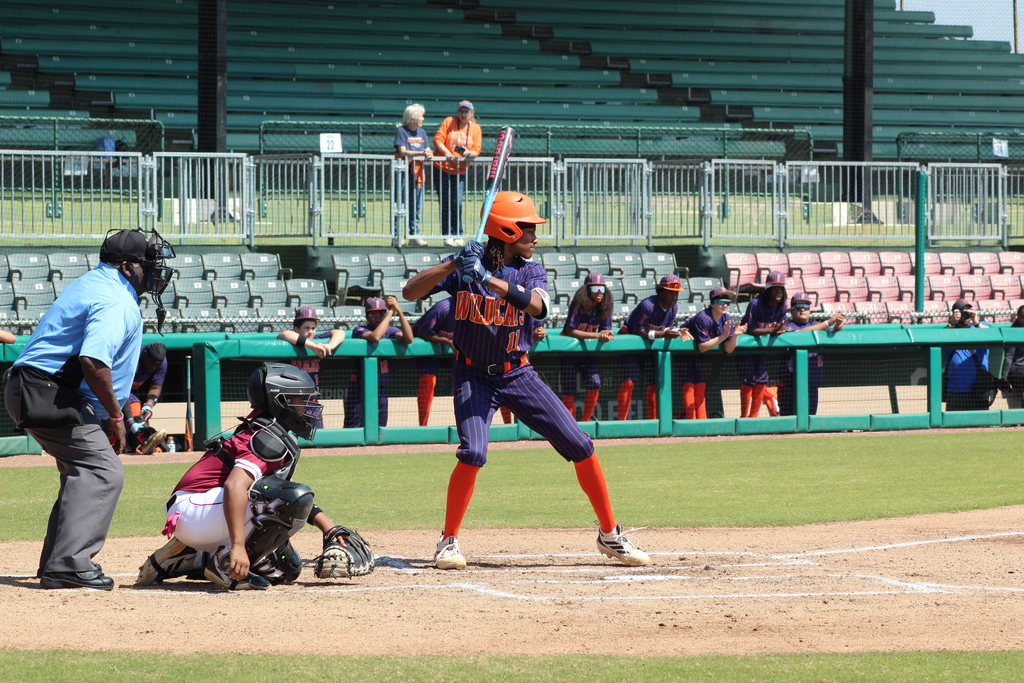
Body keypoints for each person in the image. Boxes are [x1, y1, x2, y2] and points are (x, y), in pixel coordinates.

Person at [402, 190, 650, 570]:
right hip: (472, 374)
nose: (535, 237)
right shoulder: (465, 265)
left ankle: (610, 534)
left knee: (580, 444)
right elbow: (410, 291)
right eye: (528, 230)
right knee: (474, 453)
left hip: (517, 373)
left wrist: (491, 280)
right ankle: (447, 541)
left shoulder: (529, 269)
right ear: (506, 231)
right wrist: (452, 264)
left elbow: (540, 306)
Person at [4, 227, 176, 590]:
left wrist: (107, 418)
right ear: (128, 266)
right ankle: (67, 566)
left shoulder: (95, 283)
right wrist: (117, 418)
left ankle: (57, 562)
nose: (156, 271)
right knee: (103, 472)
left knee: (81, 472)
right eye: (150, 264)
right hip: (48, 390)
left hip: (38, 388)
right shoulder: (115, 298)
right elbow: (94, 362)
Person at [135, 363, 373, 590]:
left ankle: (188, 557)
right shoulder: (267, 438)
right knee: (294, 497)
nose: (307, 406)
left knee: (285, 568)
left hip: (200, 512)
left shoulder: (268, 430)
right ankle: (224, 562)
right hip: (195, 508)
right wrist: (238, 547)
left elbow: (276, 491)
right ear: (280, 401)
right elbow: (235, 486)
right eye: (301, 399)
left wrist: (329, 528)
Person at [616, 274, 692, 420]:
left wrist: (677, 332)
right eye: (670, 292)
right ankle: (622, 422)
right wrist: (663, 334)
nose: (674, 296)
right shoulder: (648, 305)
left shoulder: (673, 308)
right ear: (661, 291)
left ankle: (654, 419)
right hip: (628, 343)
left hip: (648, 346)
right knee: (629, 381)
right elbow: (638, 330)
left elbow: (665, 329)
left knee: (654, 382)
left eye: (676, 293)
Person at [344, 296, 414, 428]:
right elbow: (375, 337)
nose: (377, 318)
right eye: (373, 314)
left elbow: (409, 339)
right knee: (354, 425)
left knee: (380, 425)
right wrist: (390, 313)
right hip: (359, 386)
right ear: (367, 317)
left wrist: (398, 311)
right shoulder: (359, 330)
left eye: (381, 314)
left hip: (381, 386)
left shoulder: (391, 331)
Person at [680, 286, 745, 419]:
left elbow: (728, 349)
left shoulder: (727, 319)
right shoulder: (703, 318)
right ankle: (690, 422)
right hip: (684, 353)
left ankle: (702, 421)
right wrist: (723, 336)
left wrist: (734, 336)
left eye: (727, 302)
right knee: (689, 387)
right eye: (721, 302)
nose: (725, 305)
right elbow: (703, 346)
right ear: (712, 303)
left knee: (700, 386)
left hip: (700, 356)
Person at [776, 292, 845, 416]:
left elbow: (836, 333)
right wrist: (828, 322)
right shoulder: (787, 325)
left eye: (806, 306)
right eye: (797, 306)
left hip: (811, 387)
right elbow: (798, 335)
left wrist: (838, 324)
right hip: (789, 387)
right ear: (791, 310)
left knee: (809, 423)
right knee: (787, 424)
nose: (802, 309)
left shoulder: (815, 325)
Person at [277, 306, 346, 429]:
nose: (311, 331)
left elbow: (340, 332)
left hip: (313, 404)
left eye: (313, 328)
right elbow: (284, 334)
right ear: (297, 328)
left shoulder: (318, 339)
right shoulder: (291, 341)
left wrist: (330, 345)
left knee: (317, 443)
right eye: (306, 328)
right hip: (291, 403)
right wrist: (313, 347)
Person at [560, 272, 615, 422]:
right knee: (569, 389)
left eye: (602, 288)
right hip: (568, 351)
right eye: (595, 288)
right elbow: (570, 331)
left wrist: (606, 334)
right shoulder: (579, 303)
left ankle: (585, 422)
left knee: (595, 383)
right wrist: (597, 336)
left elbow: (606, 330)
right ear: (587, 290)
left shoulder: (605, 306)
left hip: (586, 351)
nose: (599, 292)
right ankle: (571, 425)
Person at [738, 270, 789, 418]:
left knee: (762, 379)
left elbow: (780, 327)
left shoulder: (782, 306)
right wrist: (773, 330)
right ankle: (744, 417)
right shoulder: (756, 304)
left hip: (762, 348)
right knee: (749, 379)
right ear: (768, 289)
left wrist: (781, 329)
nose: (778, 291)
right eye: (775, 288)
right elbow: (750, 329)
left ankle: (753, 417)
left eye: (781, 288)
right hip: (746, 347)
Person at [432, 100, 482, 246]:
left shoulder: (475, 128)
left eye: (466, 111)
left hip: (460, 170)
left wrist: (468, 153)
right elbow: (438, 139)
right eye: (461, 111)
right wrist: (447, 153)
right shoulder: (449, 122)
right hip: (442, 167)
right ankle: (447, 234)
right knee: (445, 201)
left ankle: (457, 233)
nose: (463, 114)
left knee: (456, 202)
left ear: (472, 113)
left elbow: (477, 149)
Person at [943, 298, 992, 411]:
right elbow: (941, 337)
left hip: (978, 389)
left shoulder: (981, 327)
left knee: (980, 426)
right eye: (961, 312)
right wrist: (952, 323)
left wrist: (976, 323)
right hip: (955, 390)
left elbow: (992, 335)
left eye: (967, 311)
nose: (965, 315)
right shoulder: (949, 329)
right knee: (953, 426)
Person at [394, 103, 432, 248]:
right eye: (421, 115)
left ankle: (414, 235)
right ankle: (397, 235)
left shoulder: (422, 132)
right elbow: (402, 151)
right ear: (412, 118)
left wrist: (428, 152)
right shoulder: (402, 132)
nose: (423, 118)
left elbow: (427, 148)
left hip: (417, 173)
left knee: (415, 205)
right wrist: (421, 153)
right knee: (400, 203)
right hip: (402, 172)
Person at [412, 297, 454, 426]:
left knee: (464, 380)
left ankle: (465, 422)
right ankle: (423, 426)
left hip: (448, 350)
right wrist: (447, 341)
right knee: (428, 382)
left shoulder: (473, 308)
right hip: (427, 348)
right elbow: (423, 332)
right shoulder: (443, 307)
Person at [124, 341, 169, 454]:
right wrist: (130, 418)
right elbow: (121, 390)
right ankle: (141, 442)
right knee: (134, 405)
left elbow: (155, 387)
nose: (154, 367)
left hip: (126, 390)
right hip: (108, 387)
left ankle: (142, 444)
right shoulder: (131, 357)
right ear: (144, 354)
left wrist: (149, 405)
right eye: (152, 363)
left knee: (139, 414)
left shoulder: (161, 363)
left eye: (157, 364)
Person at [1001, 305, 1024, 409]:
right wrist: (1004, 377)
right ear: (1018, 317)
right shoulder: (1013, 332)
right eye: (1023, 316)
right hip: (1017, 370)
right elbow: (1009, 356)